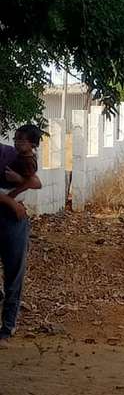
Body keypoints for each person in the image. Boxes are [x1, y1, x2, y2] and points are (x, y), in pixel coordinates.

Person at [0, 124, 43, 344]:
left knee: (14, 274)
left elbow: (36, 181)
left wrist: (19, 185)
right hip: (11, 212)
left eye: (21, 140)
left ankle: (7, 328)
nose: (17, 142)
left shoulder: (13, 155)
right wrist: (10, 201)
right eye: (16, 139)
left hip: (14, 221)